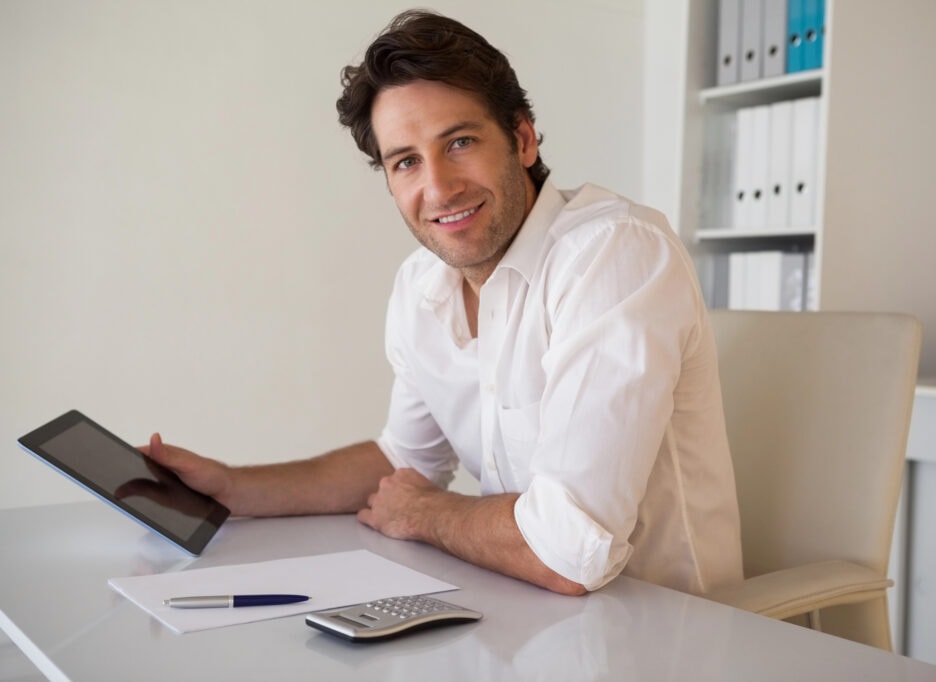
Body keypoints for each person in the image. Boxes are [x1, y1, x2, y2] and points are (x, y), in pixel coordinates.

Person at [141, 9, 743, 597]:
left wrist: (426, 514)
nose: (438, 187)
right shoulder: (420, 286)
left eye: (458, 142)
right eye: (406, 162)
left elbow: (567, 554)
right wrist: (231, 488)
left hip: (664, 638)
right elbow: (402, 461)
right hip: (519, 619)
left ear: (523, 138)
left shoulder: (613, 255)